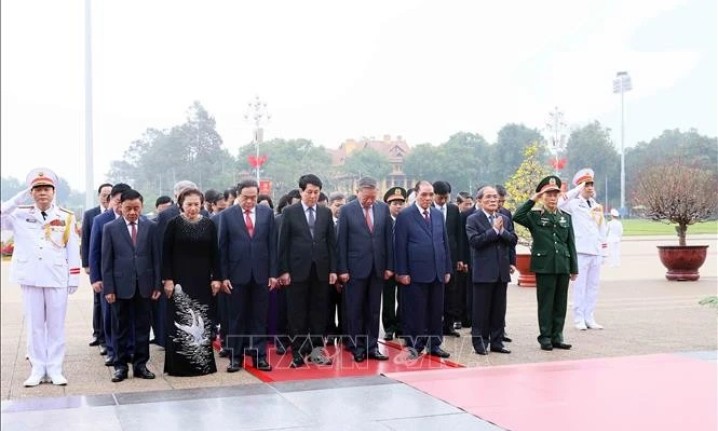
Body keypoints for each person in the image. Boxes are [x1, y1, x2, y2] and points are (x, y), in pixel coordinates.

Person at [1, 168, 81, 387]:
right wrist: (16, 200)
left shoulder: (65, 216)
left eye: (46, 188)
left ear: (54, 191)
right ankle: (37, 369)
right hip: (31, 277)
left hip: (56, 276)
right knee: (35, 325)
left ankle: (55, 368)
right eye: (36, 189)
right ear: (30, 192)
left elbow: (72, 248)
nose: (42, 193)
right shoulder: (18, 214)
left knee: (56, 325)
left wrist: (73, 277)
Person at [217, 179, 277, 373]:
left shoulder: (267, 214)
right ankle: (236, 357)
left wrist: (273, 274)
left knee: (259, 318)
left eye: (254, 197)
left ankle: (259, 356)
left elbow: (272, 246)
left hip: (261, 275)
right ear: (238, 195)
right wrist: (223, 276)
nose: (250, 201)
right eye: (246, 197)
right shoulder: (227, 215)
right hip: (236, 276)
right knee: (237, 318)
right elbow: (222, 248)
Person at [101, 189, 161, 382]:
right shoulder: (110, 228)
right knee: (120, 328)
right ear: (120, 207)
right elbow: (106, 261)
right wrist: (108, 289)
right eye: (128, 208)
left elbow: (156, 259)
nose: (133, 212)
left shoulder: (151, 227)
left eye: (136, 208)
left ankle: (141, 365)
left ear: (142, 207)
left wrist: (156, 285)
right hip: (120, 287)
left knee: (143, 327)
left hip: (144, 285)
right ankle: (120, 366)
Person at [278, 174, 337, 368]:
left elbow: (331, 243)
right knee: (297, 314)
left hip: (320, 270)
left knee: (319, 314)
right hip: (296, 270)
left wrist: (333, 270)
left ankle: (317, 352)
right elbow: (283, 244)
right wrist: (284, 270)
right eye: (309, 192)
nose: (312, 196)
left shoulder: (325, 213)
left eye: (316, 192)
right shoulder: (289, 212)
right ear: (301, 191)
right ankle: (297, 352)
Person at [513, 176, 578, 351]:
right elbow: (517, 216)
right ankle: (545, 336)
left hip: (562, 264)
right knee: (546, 303)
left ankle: (558, 336)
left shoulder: (565, 217)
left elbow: (571, 243)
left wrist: (574, 268)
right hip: (545, 265)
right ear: (542, 196)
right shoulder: (535, 217)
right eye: (548, 194)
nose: (552, 198)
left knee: (560, 303)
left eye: (555, 194)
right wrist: (533, 198)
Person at [162, 188, 222, 376]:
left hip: (202, 280)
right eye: (189, 204)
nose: (193, 208)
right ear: (181, 205)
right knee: (181, 319)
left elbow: (215, 254)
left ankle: (202, 364)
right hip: (179, 281)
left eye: (197, 204)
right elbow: (165, 254)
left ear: (202, 204)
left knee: (202, 320)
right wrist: (168, 280)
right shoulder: (173, 224)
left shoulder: (209, 224)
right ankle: (179, 366)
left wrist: (217, 278)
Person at [337, 177, 393, 362]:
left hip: (377, 267)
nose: (370, 201)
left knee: (374, 309)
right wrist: (342, 269)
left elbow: (387, 240)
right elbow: (341, 242)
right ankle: (357, 347)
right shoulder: (346, 210)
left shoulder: (382, 208)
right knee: (355, 309)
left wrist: (389, 266)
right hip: (354, 268)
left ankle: (372, 346)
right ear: (358, 191)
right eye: (366, 197)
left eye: (373, 197)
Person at [394, 181, 452, 359]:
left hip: (437, 271)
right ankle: (414, 346)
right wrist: (402, 272)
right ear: (416, 194)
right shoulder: (405, 215)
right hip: (415, 273)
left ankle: (435, 344)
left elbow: (444, 243)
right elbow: (400, 246)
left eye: (430, 194)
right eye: (424, 194)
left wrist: (447, 268)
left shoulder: (437, 214)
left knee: (436, 311)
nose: (428, 198)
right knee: (415, 313)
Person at [465, 186, 517, 355]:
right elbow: (475, 241)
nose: (493, 200)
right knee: (481, 310)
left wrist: (501, 231)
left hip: (501, 271)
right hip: (483, 272)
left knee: (499, 310)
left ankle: (497, 342)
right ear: (479, 201)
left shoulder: (504, 218)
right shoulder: (473, 219)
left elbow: (513, 240)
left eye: (495, 197)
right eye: (488, 197)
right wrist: (494, 231)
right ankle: (480, 342)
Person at [89, 183, 133, 367]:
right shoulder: (101, 220)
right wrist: (96, 278)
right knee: (109, 316)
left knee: (129, 315)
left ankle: (130, 349)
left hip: (130, 278)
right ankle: (112, 350)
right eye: (117, 201)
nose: (120, 205)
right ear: (110, 200)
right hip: (109, 278)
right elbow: (94, 252)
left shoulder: (134, 219)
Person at [559, 168, 608, 330]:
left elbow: (601, 229)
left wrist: (603, 251)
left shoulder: (596, 205)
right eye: (586, 184)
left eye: (591, 184)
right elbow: (560, 203)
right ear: (580, 186)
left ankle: (589, 316)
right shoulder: (573, 203)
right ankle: (579, 318)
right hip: (580, 250)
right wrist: (576, 190)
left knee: (593, 286)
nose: (590, 187)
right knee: (579, 287)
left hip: (595, 251)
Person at [81, 183, 112, 350]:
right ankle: (98, 333)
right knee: (98, 301)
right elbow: (86, 240)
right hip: (97, 265)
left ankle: (107, 337)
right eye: (104, 194)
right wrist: (86, 263)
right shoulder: (91, 214)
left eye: (110, 193)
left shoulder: (117, 213)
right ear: (99, 196)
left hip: (113, 265)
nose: (107, 197)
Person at [432, 180, 463, 336]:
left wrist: (460, 259)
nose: (443, 201)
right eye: (440, 198)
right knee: (434, 292)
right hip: (433, 258)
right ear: (434, 195)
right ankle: (433, 325)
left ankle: (448, 325)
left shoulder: (453, 209)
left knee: (452, 292)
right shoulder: (428, 209)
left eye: (446, 198)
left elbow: (459, 235)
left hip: (451, 256)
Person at [381, 186, 406, 341]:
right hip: (388, 268)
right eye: (394, 203)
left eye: (400, 203)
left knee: (403, 299)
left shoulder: (407, 220)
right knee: (389, 299)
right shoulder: (383, 222)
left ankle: (401, 326)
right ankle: (389, 327)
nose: (398, 206)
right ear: (388, 205)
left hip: (404, 267)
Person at [326, 191, 346, 344]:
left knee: (345, 304)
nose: (340, 208)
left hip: (346, 271)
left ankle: (344, 332)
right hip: (329, 271)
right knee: (329, 303)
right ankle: (330, 330)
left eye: (342, 205)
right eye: (337, 205)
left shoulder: (347, 222)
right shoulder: (326, 222)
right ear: (329, 205)